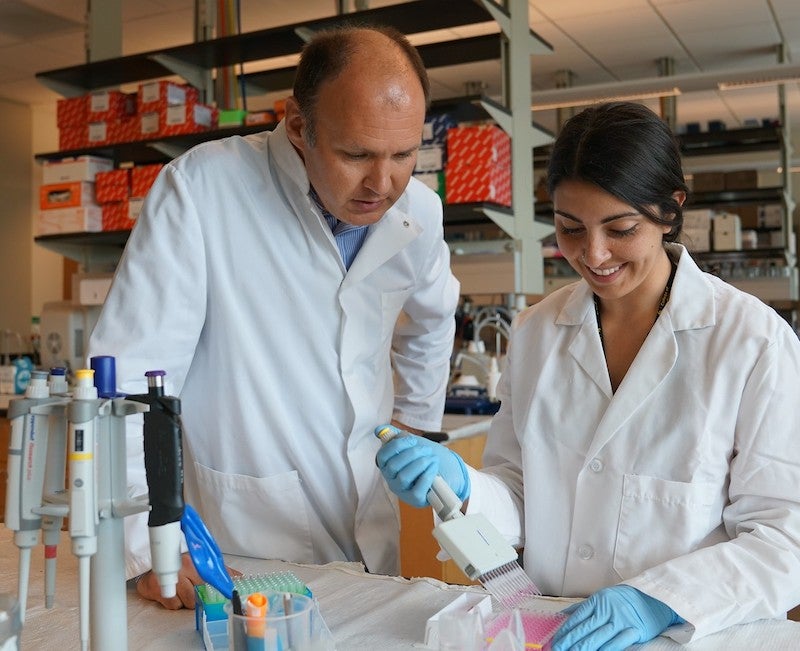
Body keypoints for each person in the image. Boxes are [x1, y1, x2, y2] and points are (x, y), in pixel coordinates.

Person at [377, 101, 800, 649]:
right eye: (570, 228)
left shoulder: (751, 341)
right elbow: (520, 492)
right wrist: (462, 487)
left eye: (620, 229)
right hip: (551, 627)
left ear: (671, 210)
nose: (593, 255)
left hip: (686, 634)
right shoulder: (537, 331)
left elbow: (785, 535)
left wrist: (659, 600)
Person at [88, 25, 459, 609]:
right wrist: (145, 544)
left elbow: (433, 321)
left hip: (369, 532)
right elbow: (130, 380)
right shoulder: (204, 190)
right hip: (242, 541)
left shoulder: (418, 212)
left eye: (404, 154)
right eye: (356, 154)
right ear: (297, 125)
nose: (383, 183)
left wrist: (415, 422)